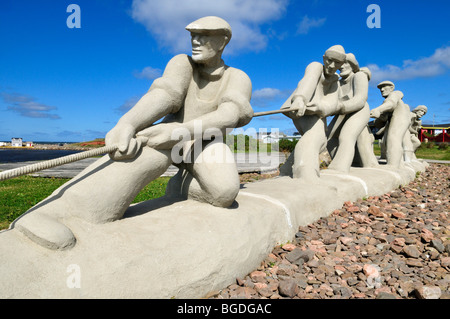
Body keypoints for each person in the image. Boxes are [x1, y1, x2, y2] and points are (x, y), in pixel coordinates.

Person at [13, 16, 253, 250]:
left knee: (224, 192)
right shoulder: (182, 63)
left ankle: (180, 187)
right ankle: (56, 211)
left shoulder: (238, 77)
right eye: (193, 35)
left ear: (222, 42)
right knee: (134, 153)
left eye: (204, 36)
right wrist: (127, 123)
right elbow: (165, 94)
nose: (195, 41)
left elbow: (229, 115)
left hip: (204, 140)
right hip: (166, 137)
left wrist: (181, 131)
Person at [279, 45, 345, 182]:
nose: (332, 66)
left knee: (316, 140)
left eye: (337, 63)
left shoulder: (335, 82)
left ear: (341, 64)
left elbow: (332, 103)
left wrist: (320, 107)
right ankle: (305, 173)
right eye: (329, 60)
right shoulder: (316, 66)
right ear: (324, 58)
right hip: (300, 110)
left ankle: (286, 168)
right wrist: (300, 98)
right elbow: (307, 81)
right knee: (316, 136)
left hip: (316, 112)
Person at [326, 53, 371, 172]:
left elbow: (360, 99)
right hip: (342, 113)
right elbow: (331, 102)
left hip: (359, 110)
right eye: (340, 64)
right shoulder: (338, 83)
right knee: (327, 138)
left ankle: (339, 167)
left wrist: (339, 106)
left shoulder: (359, 76)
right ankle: (345, 161)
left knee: (346, 136)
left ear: (352, 65)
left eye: (345, 63)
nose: (341, 66)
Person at [369, 81, 411, 168]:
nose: (382, 89)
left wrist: (378, 110)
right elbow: (383, 120)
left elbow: (391, 104)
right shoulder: (387, 100)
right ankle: (399, 163)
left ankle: (393, 165)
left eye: (384, 87)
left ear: (392, 88)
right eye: (380, 88)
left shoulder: (393, 95)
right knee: (390, 140)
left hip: (400, 119)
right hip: (397, 119)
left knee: (393, 139)